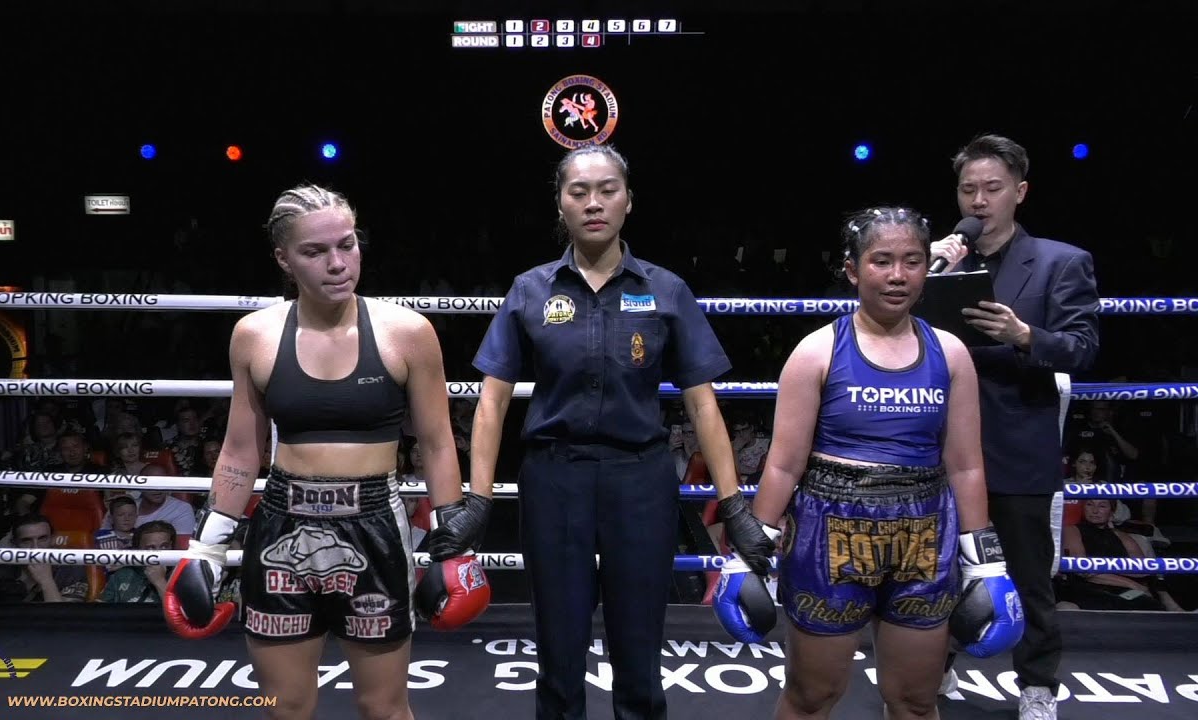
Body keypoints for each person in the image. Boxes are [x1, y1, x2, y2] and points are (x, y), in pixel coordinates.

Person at [162, 184, 490, 720]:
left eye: (347, 245)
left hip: (375, 526)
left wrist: (451, 542)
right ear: (284, 259)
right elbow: (241, 449)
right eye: (315, 251)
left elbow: (435, 441)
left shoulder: (407, 332)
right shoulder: (255, 335)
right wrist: (208, 548)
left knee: (384, 708)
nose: (337, 264)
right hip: (282, 525)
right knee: (286, 708)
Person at [469, 144, 767, 720]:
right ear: (560, 203)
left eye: (607, 190)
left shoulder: (666, 289)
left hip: (641, 480)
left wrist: (733, 505)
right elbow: (492, 401)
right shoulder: (530, 288)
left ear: (628, 201)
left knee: (639, 651)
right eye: (578, 191)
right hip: (555, 478)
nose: (593, 203)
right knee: (558, 652)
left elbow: (703, 404)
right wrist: (479, 500)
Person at [714, 207, 1023, 719]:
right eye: (882, 261)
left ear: (926, 268)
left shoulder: (950, 353)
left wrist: (986, 562)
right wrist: (750, 555)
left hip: (924, 536)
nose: (898, 275)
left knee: (916, 701)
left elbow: (966, 465)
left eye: (912, 261)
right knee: (811, 697)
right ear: (853, 270)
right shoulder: (817, 351)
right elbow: (784, 465)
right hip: (829, 534)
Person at [930, 134, 1100, 718]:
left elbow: (1082, 348)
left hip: (1017, 441)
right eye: (968, 189)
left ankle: (1037, 686)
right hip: (939, 442)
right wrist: (926, 273)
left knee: (1028, 575)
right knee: (934, 570)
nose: (978, 200)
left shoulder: (1061, 262)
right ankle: (934, 667)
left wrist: (1024, 336)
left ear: (1019, 192)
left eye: (992, 188)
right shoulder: (938, 260)